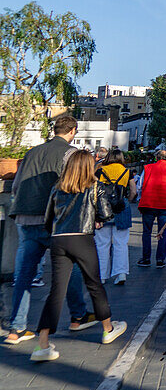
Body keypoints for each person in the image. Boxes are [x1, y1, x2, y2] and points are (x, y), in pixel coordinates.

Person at [4, 115, 94, 346]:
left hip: (24, 216)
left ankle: (17, 328)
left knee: (23, 273)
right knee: (68, 266)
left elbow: (15, 186)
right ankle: (78, 315)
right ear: (73, 131)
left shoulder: (32, 152)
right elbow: (77, 187)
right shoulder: (71, 154)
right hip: (55, 220)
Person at [31, 149, 127, 362]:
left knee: (56, 291)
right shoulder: (94, 187)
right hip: (82, 238)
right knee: (94, 284)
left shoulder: (57, 189)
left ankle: (43, 344)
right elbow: (106, 214)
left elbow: (48, 220)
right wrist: (96, 218)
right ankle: (108, 328)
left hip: (59, 239)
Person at [94, 149, 135, 285]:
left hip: (103, 208)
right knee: (121, 243)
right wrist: (126, 199)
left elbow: (94, 191)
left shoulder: (100, 171)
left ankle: (102, 275)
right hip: (122, 207)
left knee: (102, 244)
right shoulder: (127, 172)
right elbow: (134, 191)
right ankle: (121, 273)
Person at [135, 150, 166, 268]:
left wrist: (141, 198)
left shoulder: (147, 168)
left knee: (146, 232)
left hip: (148, 203)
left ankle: (146, 258)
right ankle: (160, 259)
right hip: (165, 204)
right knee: (162, 232)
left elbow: (139, 186)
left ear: (156, 158)